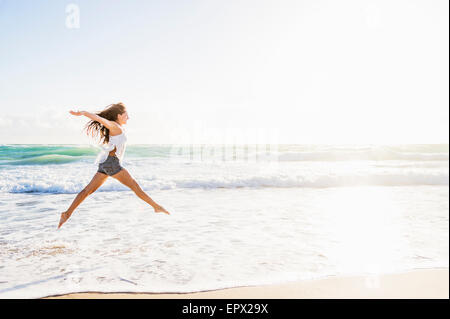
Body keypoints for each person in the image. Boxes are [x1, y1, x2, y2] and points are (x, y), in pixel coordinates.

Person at [58, 102, 170, 229]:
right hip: (112, 163)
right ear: (119, 115)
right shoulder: (114, 126)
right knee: (135, 187)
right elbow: (99, 119)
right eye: (126, 115)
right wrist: (82, 113)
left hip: (106, 163)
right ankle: (156, 207)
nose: (128, 117)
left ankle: (67, 213)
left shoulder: (118, 128)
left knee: (87, 191)